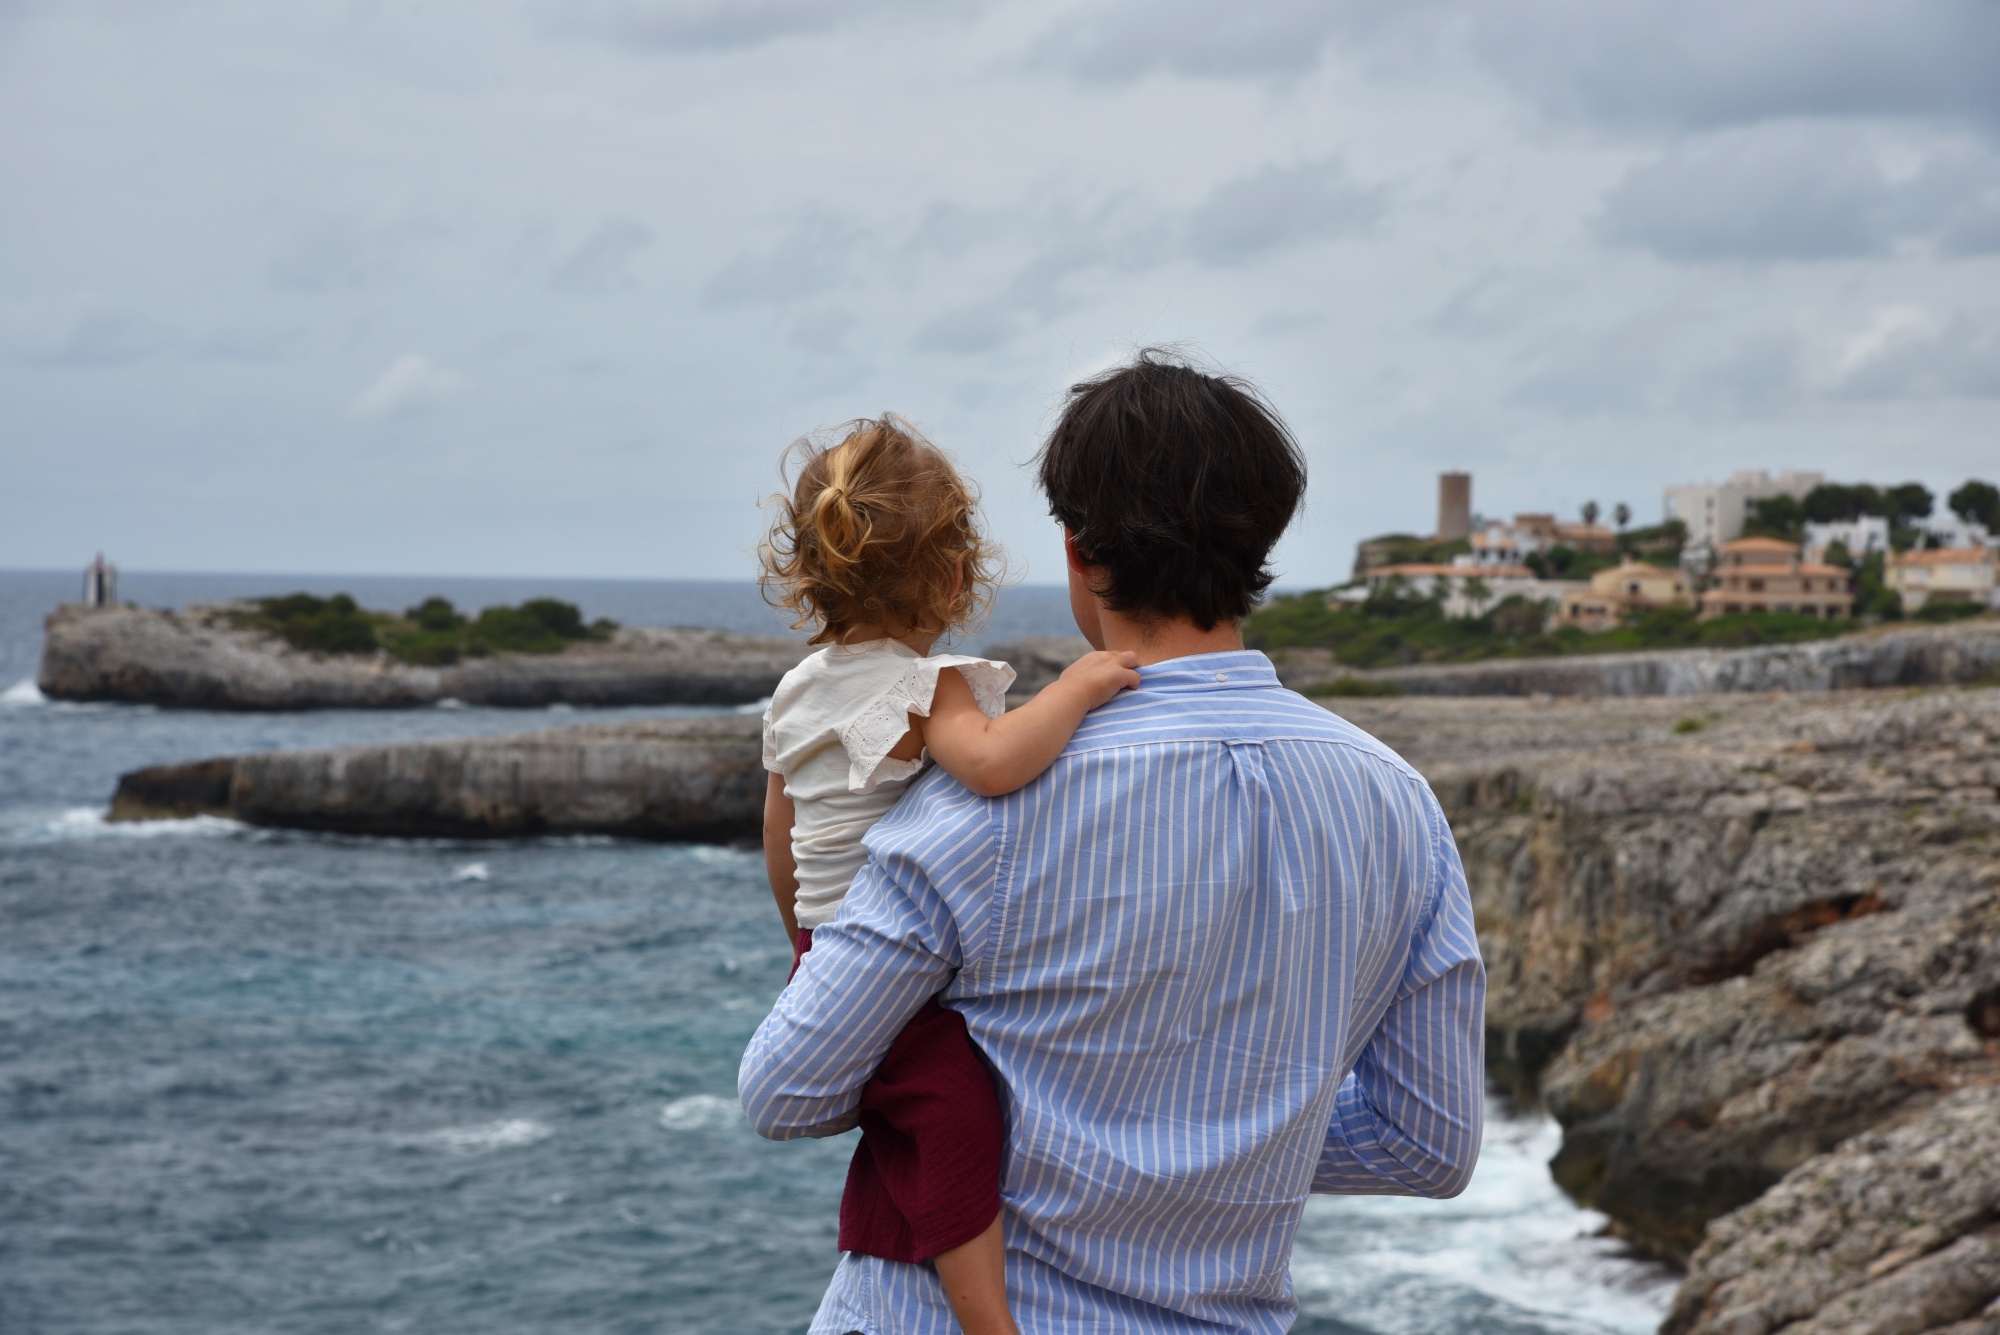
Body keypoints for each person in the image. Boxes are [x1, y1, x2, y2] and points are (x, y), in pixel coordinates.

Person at [741, 352, 1486, 1335]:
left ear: (1078, 551)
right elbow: (1426, 1143)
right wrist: (1220, 1148)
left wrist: (1036, 1141)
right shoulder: (1400, 804)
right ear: (1260, 542)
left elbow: (787, 1089)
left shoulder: (973, 810)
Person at [756, 415, 1143, 1335]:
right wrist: (1079, 688)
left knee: (905, 1112)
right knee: (958, 1110)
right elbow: (995, 764)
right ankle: (990, 1325)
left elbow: (781, 830)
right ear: (957, 573)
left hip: (825, 944)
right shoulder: (933, 686)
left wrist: (803, 954)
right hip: (892, 953)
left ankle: (895, 1264)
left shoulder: (797, 689)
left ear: (811, 572)